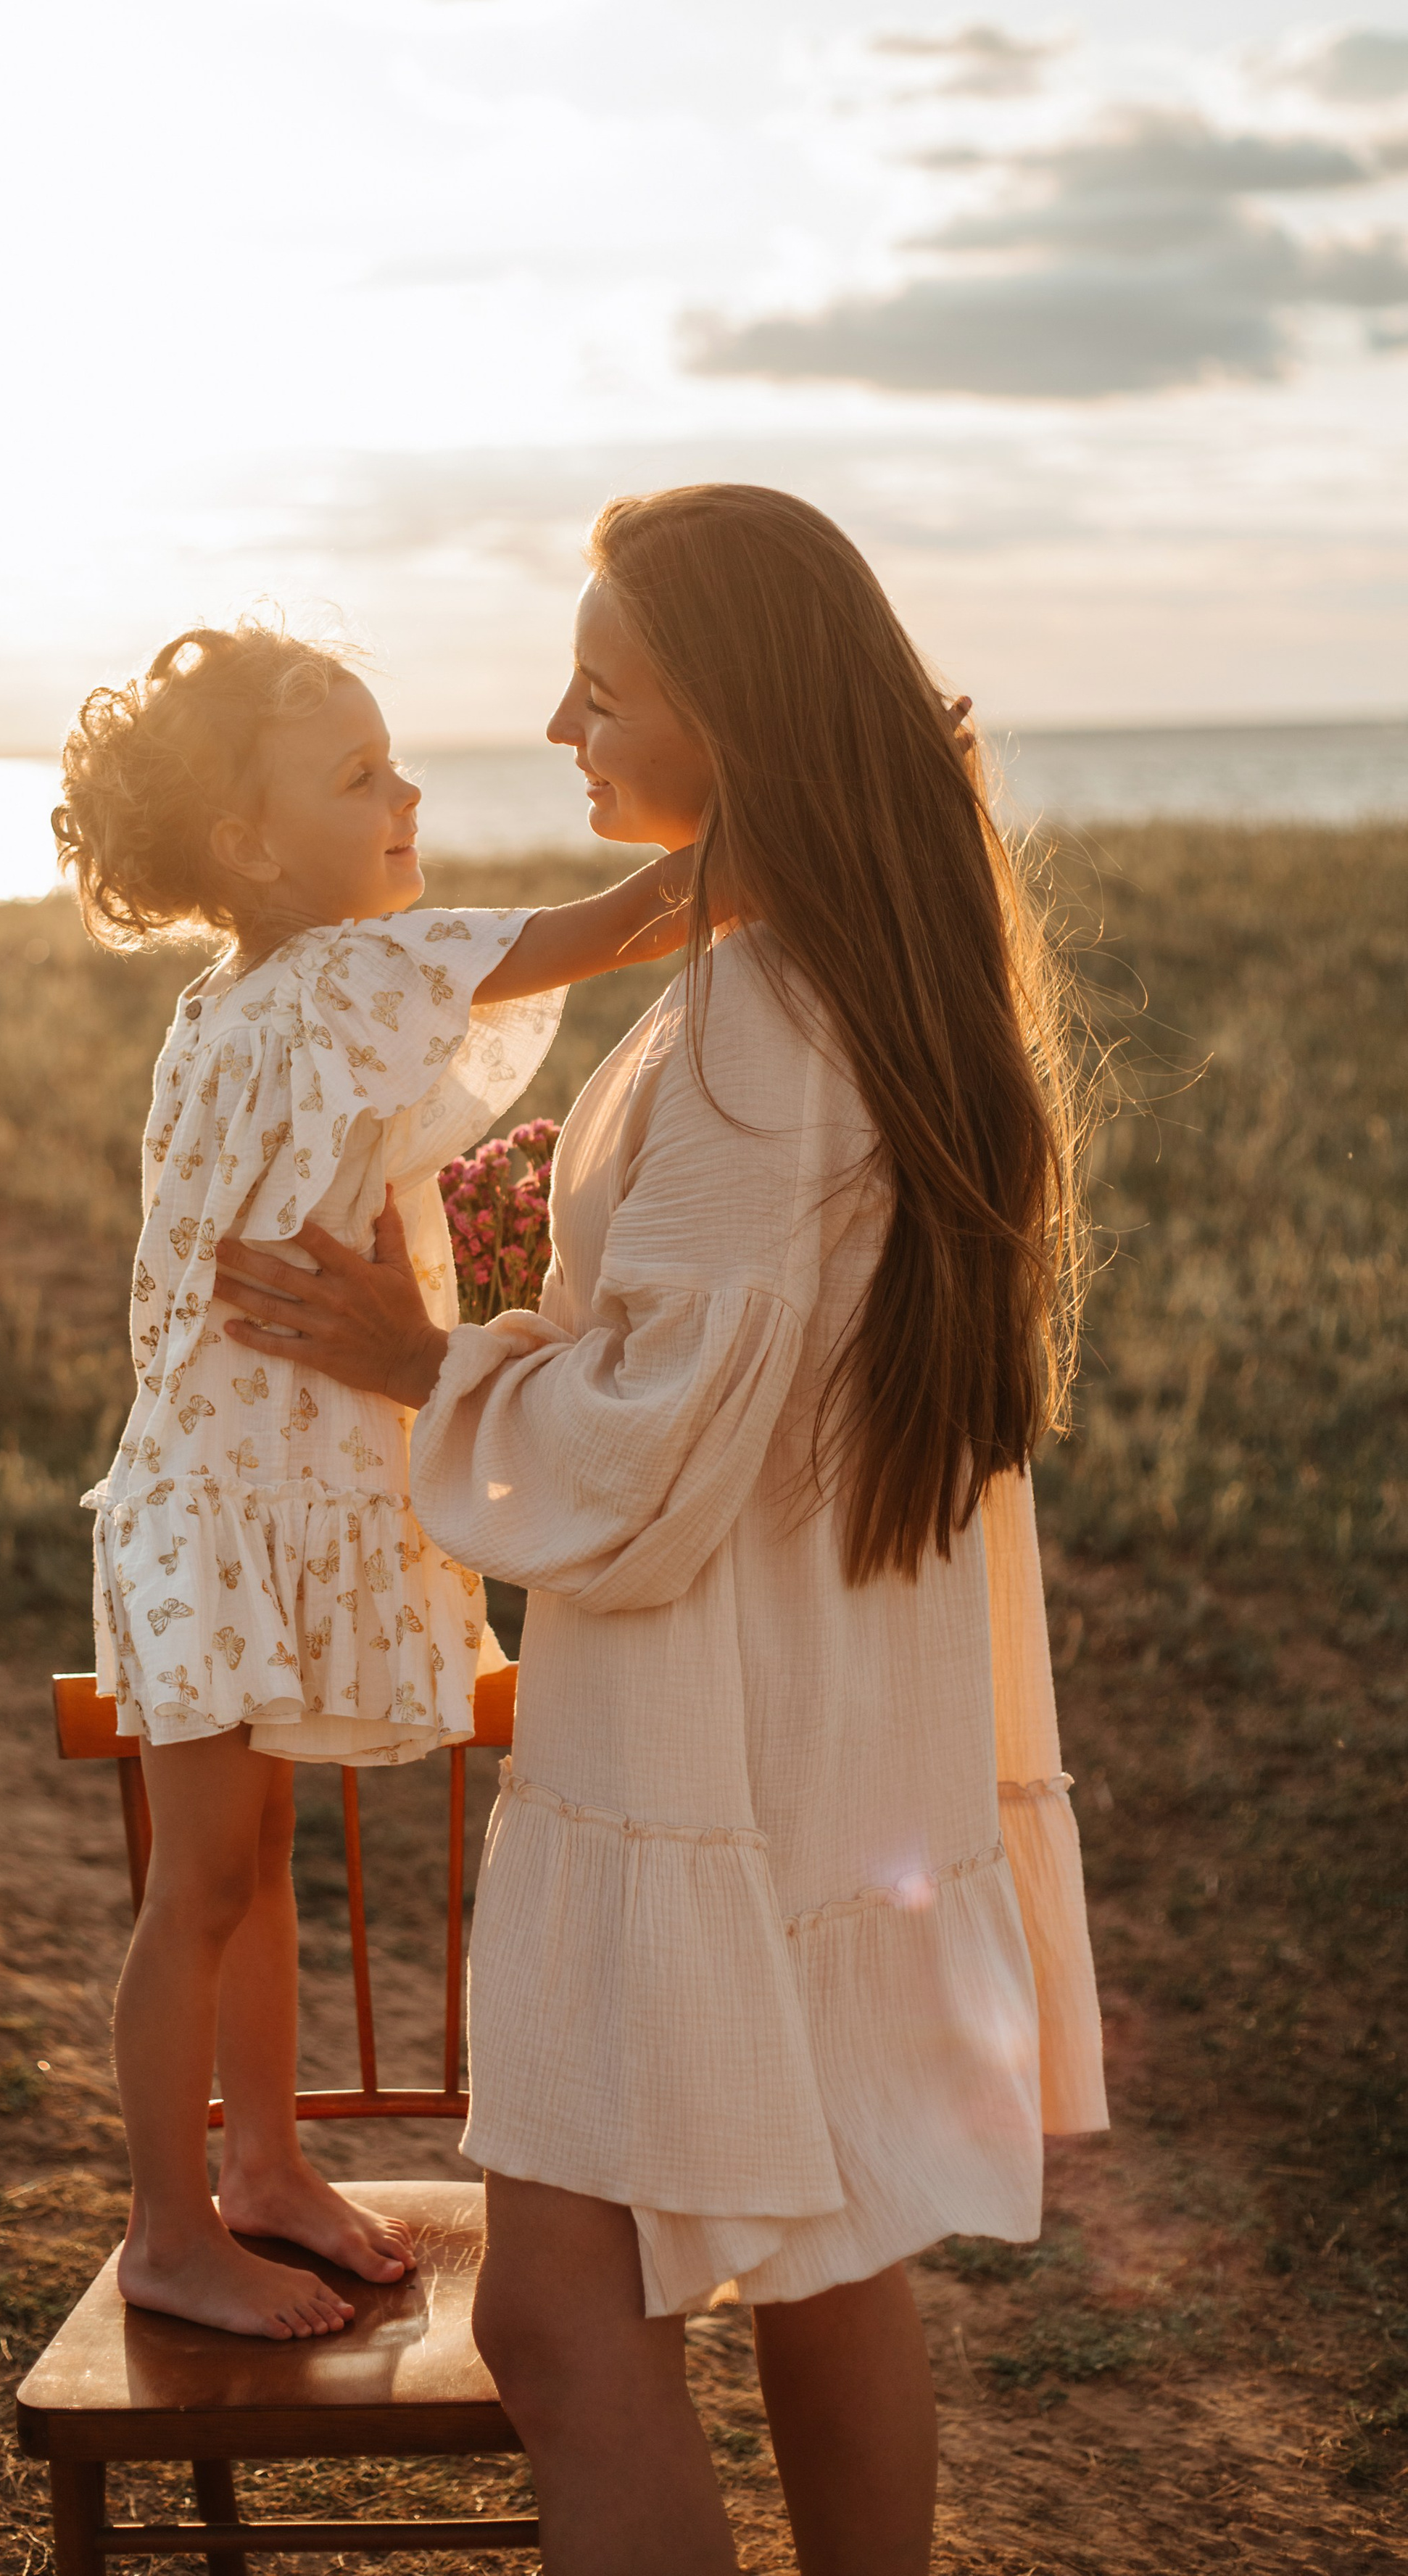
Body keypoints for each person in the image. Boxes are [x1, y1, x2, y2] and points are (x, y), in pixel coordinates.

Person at [212, 490, 1109, 2567]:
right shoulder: (868, 991)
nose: (554, 721)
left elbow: (638, 1463)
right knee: (828, 2247)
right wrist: (574, 1278)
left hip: (706, 1755)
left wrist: (428, 1362)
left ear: (732, 716)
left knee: (550, 2313)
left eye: (602, 689)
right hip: (832, 1728)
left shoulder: (754, 1043)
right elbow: (749, 1368)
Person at [52, 621, 692, 2342]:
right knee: (201, 1883)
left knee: (245, 1866)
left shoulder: (236, 998)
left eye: (394, 760)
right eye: (356, 777)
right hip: (225, 1508)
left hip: (214, 1496)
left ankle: (262, 2171)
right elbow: (623, 922)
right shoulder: (343, 979)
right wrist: (802, 818)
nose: (404, 792)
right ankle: (168, 2229)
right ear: (249, 845)